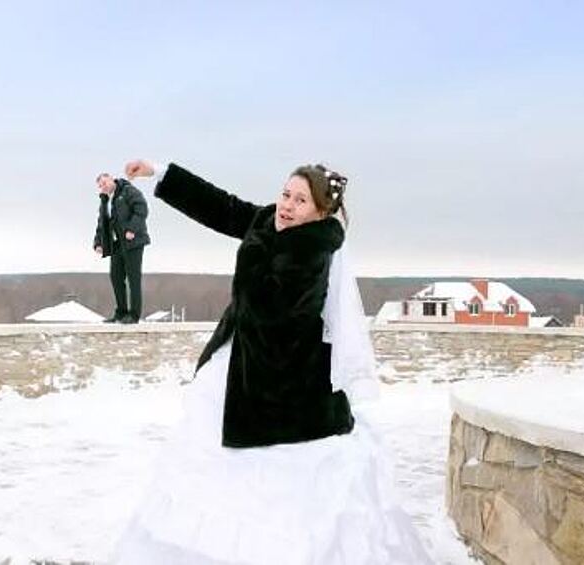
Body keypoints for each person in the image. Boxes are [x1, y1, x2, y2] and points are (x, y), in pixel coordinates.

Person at [110, 160, 432, 565]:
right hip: (242, 360)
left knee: (271, 487)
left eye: (301, 200)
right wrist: (161, 173)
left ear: (320, 212)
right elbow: (221, 207)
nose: (288, 206)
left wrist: (258, 249)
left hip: (282, 384)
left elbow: (273, 312)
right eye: (285, 194)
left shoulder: (313, 250)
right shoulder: (269, 221)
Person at [93, 172, 151, 323]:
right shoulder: (105, 200)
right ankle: (121, 312)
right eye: (100, 186)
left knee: (133, 278)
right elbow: (102, 223)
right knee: (116, 277)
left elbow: (142, 209)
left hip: (134, 242)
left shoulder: (128, 191)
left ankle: (134, 314)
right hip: (117, 244)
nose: (103, 187)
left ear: (112, 179)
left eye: (105, 183)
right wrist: (98, 242)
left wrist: (132, 229)